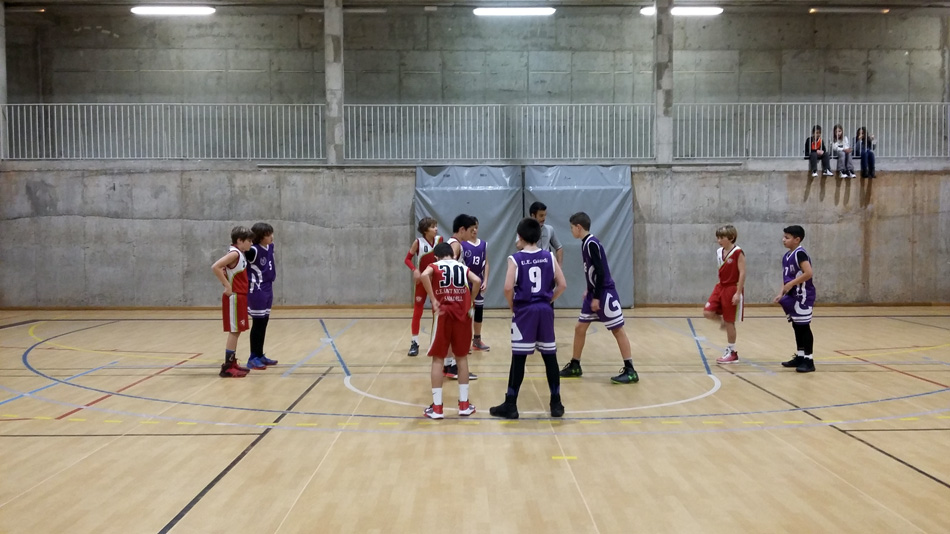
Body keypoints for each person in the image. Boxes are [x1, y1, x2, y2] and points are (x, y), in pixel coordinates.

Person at [490, 218, 567, 419]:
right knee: (550, 357)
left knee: (519, 358)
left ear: (520, 236)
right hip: (544, 310)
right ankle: (556, 403)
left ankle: (511, 404)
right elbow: (562, 284)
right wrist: (549, 299)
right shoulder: (549, 256)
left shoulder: (515, 259)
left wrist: (512, 305)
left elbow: (508, 287)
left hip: (525, 311)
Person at [559, 212, 639, 384]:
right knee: (580, 328)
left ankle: (631, 370)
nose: (571, 231)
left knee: (617, 330)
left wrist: (596, 297)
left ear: (578, 227)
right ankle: (575, 364)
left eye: (572, 227)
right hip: (594, 292)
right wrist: (589, 289)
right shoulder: (586, 243)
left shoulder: (591, 243)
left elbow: (601, 271)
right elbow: (593, 272)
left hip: (604, 294)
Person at [418, 243, 482, 419]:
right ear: (453, 255)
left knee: (438, 358)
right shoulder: (462, 266)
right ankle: (464, 405)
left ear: (436, 256)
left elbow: (423, 275)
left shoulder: (435, 265)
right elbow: (477, 281)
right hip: (462, 315)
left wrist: (433, 298)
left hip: (443, 315)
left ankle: (437, 408)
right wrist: (471, 300)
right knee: (461, 358)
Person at [211, 226, 255, 378]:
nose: (251, 244)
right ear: (240, 241)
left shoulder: (239, 253)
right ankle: (227, 367)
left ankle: (232, 362)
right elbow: (215, 267)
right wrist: (227, 285)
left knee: (237, 331)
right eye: (249, 241)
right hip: (235, 296)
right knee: (234, 331)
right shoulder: (234, 254)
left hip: (240, 295)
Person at [773, 225, 816, 373]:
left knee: (804, 327)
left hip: (803, 296)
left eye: (787, 237)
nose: (783, 240)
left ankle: (809, 360)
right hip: (792, 295)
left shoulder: (800, 254)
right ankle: (800, 356)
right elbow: (786, 278)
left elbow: (808, 273)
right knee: (796, 326)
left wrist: (791, 284)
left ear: (797, 239)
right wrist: (781, 293)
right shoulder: (787, 256)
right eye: (784, 237)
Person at [703, 225, 746, 364]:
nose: (719, 240)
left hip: (732, 288)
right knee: (707, 312)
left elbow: (742, 273)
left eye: (722, 238)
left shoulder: (738, 252)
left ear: (731, 238)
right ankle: (721, 321)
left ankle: (732, 352)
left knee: (729, 322)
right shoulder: (718, 252)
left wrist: (738, 293)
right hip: (720, 286)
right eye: (718, 237)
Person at [404, 217, 442, 357]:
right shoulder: (418, 242)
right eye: (433, 226)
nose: (436, 229)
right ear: (425, 230)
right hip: (422, 282)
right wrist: (415, 270)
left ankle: (436, 341)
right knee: (417, 311)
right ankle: (414, 342)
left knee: (436, 311)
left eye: (436, 226)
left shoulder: (440, 240)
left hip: (435, 281)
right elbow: (407, 259)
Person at [245, 222, 278, 370]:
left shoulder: (270, 246)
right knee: (257, 324)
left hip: (268, 287)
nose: (271, 237)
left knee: (264, 322)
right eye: (268, 234)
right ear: (259, 237)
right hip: (256, 289)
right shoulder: (252, 250)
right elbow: (235, 255)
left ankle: (260, 354)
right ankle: (253, 357)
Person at [461, 216, 491, 352]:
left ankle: (477, 340)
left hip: (479, 283)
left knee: (478, 312)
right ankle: (464, 341)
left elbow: (486, 263)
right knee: (466, 313)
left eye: (476, 227)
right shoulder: (462, 244)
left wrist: (485, 280)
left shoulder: (483, 244)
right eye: (472, 228)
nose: (474, 230)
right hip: (466, 283)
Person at [529, 201, 564, 266]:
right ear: (533, 216)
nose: (544, 218)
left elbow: (559, 247)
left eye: (545, 215)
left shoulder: (549, 229)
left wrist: (559, 267)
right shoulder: (525, 230)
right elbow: (519, 246)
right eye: (541, 216)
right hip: (531, 265)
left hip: (547, 265)